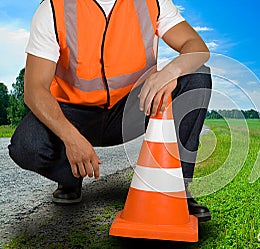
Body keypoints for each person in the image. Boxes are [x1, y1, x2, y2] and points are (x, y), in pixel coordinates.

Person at [8, 0, 212, 222]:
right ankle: (70, 176)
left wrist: (172, 71)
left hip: (134, 107)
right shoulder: (53, 8)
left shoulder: (152, 2)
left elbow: (196, 46)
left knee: (196, 77)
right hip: (74, 115)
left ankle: (176, 189)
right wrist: (70, 138)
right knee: (26, 145)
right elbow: (34, 90)